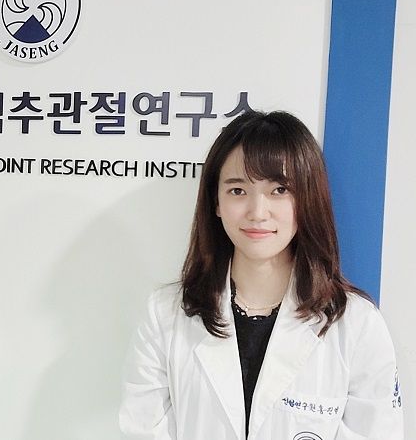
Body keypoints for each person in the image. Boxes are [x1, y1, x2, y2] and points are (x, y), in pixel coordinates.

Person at [119, 111, 404, 440]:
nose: (257, 212)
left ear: (307, 199)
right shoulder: (165, 314)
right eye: (238, 191)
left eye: (279, 190)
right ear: (216, 202)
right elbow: (141, 430)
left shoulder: (356, 324)